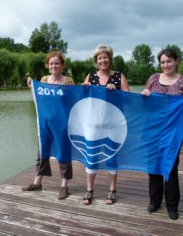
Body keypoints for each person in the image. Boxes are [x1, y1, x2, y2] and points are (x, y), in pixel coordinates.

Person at [22, 51, 75, 200]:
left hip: (62, 123)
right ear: (48, 65)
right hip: (45, 122)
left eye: (57, 63)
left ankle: (64, 186)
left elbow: (74, 101)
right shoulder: (44, 80)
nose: (54, 66)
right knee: (42, 151)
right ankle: (37, 183)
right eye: (51, 63)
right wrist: (32, 86)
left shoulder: (68, 81)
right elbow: (38, 101)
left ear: (62, 65)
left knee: (64, 153)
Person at [82, 45, 130, 205]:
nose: (103, 60)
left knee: (111, 157)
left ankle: (112, 190)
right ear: (96, 61)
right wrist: (84, 89)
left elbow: (129, 99)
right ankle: (89, 190)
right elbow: (81, 98)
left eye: (105, 57)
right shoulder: (90, 76)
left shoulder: (118, 76)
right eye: (100, 58)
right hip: (93, 124)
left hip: (113, 124)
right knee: (92, 156)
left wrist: (116, 90)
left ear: (110, 59)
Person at [141, 48, 182, 220]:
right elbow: (144, 104)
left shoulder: (181, 82)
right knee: (154, 166)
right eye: (163, 62)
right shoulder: (153, 79)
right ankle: (155, 201)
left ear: (176, 61)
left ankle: (172, 205)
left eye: (169, 61)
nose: (166, 65)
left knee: (171, 167)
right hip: (153, 129)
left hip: (173, 132)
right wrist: (145, 95)